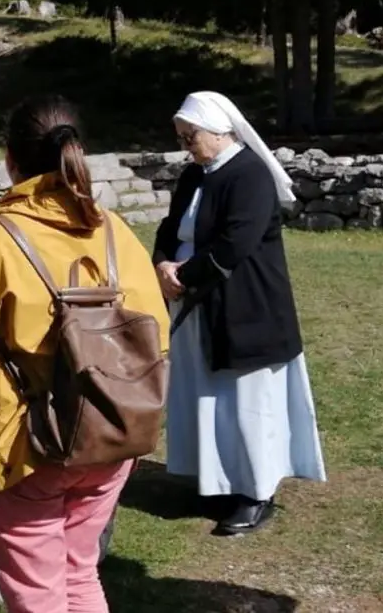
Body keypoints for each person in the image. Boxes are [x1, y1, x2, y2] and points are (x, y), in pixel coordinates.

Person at [0, 96, 170, 613]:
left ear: (10, 159)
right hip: (110, 430)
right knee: (79, 577)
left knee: (38, 595)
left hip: (23, 443)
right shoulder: (113, 230)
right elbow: (156, 335)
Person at [153, 90, 327, 536]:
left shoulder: (249, 174)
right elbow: (170, 227)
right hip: (197, 301)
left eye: (189, 136)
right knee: (208, 395)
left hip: (246, 307)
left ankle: (255, 492)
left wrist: (184, 275)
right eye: (181, 137)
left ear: (218, 130)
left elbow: (235, 242)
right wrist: (162, 264)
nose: (185, 145)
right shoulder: (195, 175)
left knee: (248, 402)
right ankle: (217, 482)